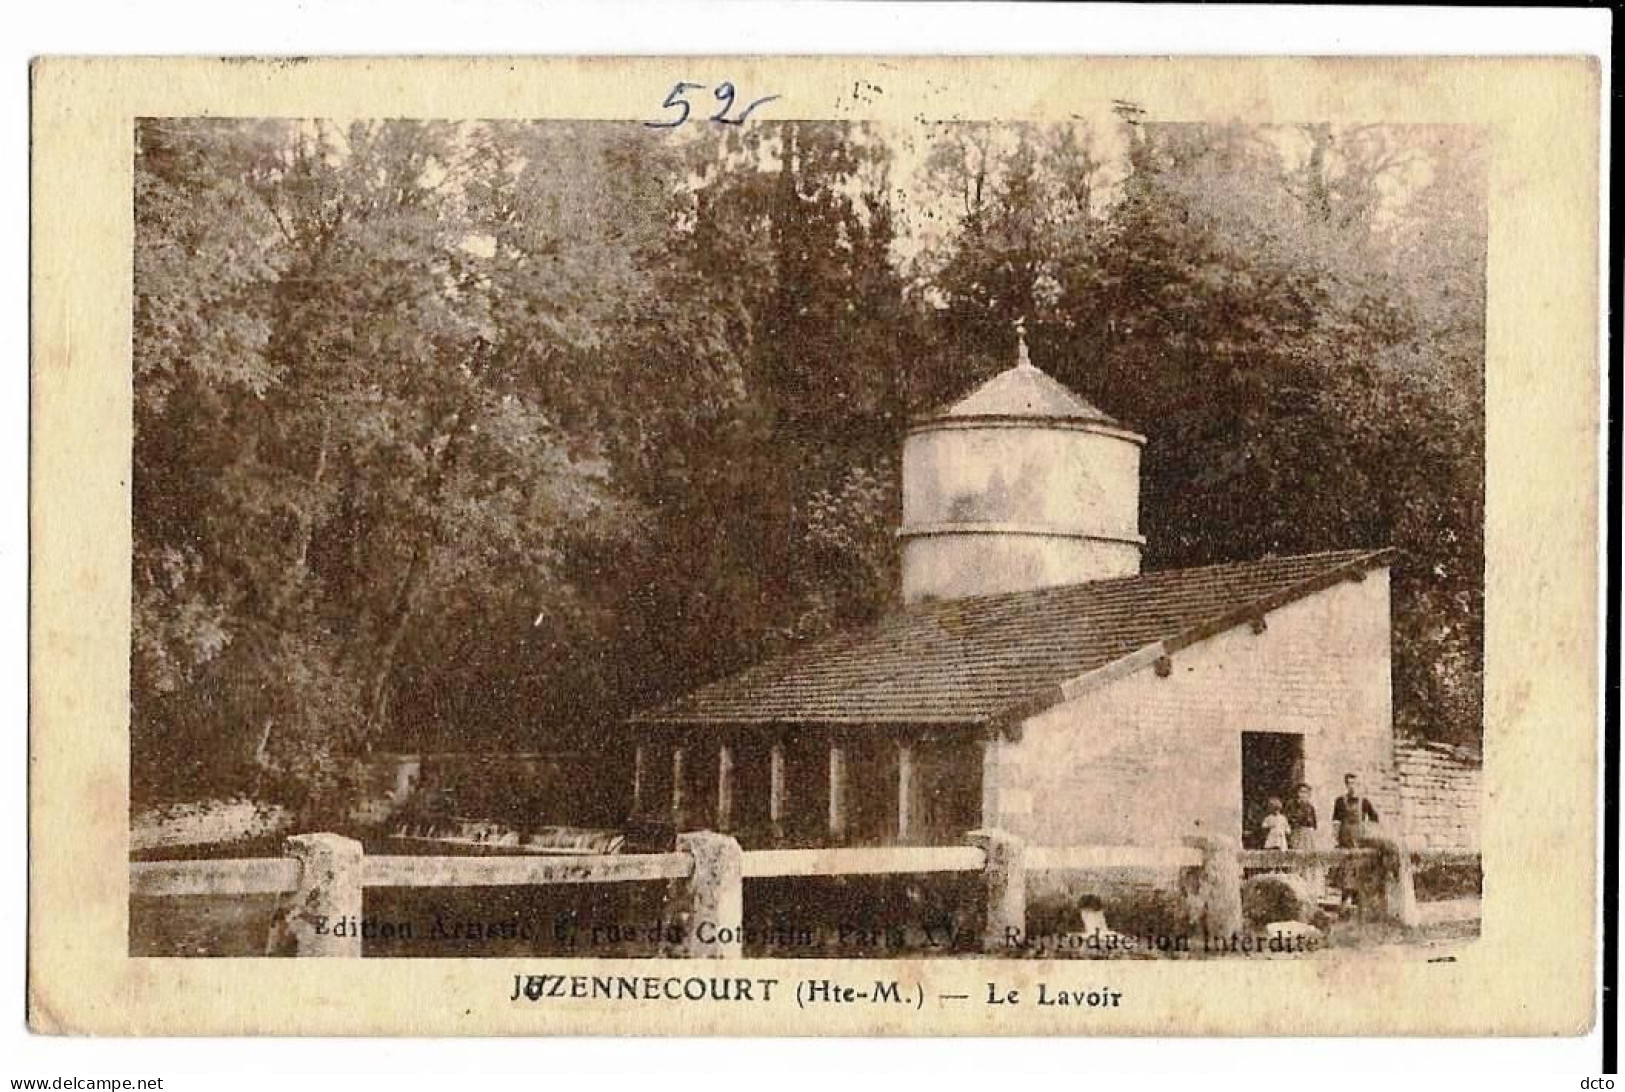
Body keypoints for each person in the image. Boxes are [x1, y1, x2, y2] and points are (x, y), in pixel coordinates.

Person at [1332, 773, 1380, 908]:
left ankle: (1358, 898)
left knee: (1359, 864)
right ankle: (1345, 897)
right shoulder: (1340, 801)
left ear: (1359, 785)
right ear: (1346, 785)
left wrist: (1367, 831)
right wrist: (1336, 837)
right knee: (1346, 865)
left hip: (1359, 837)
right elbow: (1336, 821)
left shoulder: (1364, 801)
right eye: (1349, 784)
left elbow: (1374, 818)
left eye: (1355, 784)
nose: (1352, 787)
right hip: (1345, 836)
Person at [1284, 783, 1323, 900]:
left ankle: (1311, 888)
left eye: (1306, 792)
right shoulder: (1292, 806)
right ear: (1297, 793)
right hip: (1297, 833)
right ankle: (1296, 888)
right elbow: (1289, 820)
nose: (1303, 795)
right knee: (1297, 859)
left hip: (1309, 835)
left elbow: (1314, 824)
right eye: (1301, 792)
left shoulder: (1310, 807)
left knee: (1310, 860)